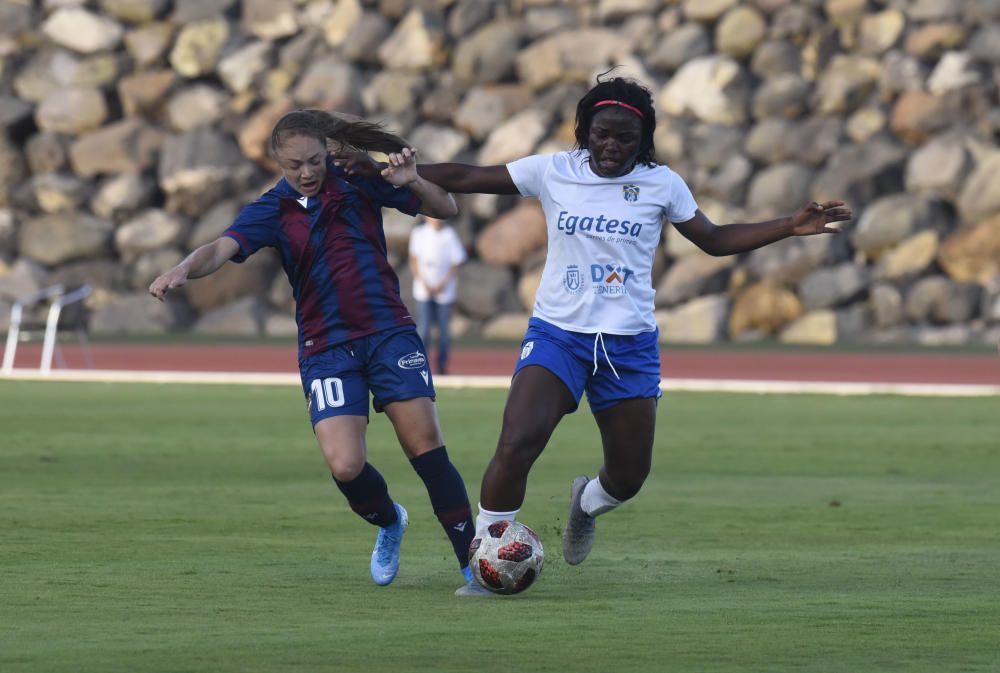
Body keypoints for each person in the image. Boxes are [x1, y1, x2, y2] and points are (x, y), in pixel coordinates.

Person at [386, 75, 852, 594]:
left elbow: (716, 240)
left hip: (628, 346)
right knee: (518, 441)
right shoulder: (553, 171)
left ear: (643, 139)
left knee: (629, 477)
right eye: (602, 134)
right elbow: (467, 176)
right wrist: (400, 174)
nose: (612, 146)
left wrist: (789, 224)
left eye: (626, 138)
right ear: (584, 132)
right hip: (558, 334)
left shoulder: (663, 184)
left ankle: (586, 504)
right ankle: (484, 564)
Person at [148, 109, 479, 591]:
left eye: (314, 160)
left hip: (388, 332)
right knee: (345, 465)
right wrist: (183, 268)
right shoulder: (271, 209)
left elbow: (444, 208)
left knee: (425, 447)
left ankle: (473, 565)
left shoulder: (358, 179)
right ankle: (390, 521)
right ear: (278, 163)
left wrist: (414, 181)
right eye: (293, 165)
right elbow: (221, 248)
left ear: (329, 151)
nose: (306, 172)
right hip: (325, 348)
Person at [408, 216, 467, 374]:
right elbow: (413, 260)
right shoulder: (419, 233)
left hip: (444, 291)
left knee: (443, 331)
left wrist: (443, 283)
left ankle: (442, 366)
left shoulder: (449, 234)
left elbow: (456, 261)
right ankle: (421, 365)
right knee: (424, 328)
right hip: (423, 290)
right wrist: (424, 282)